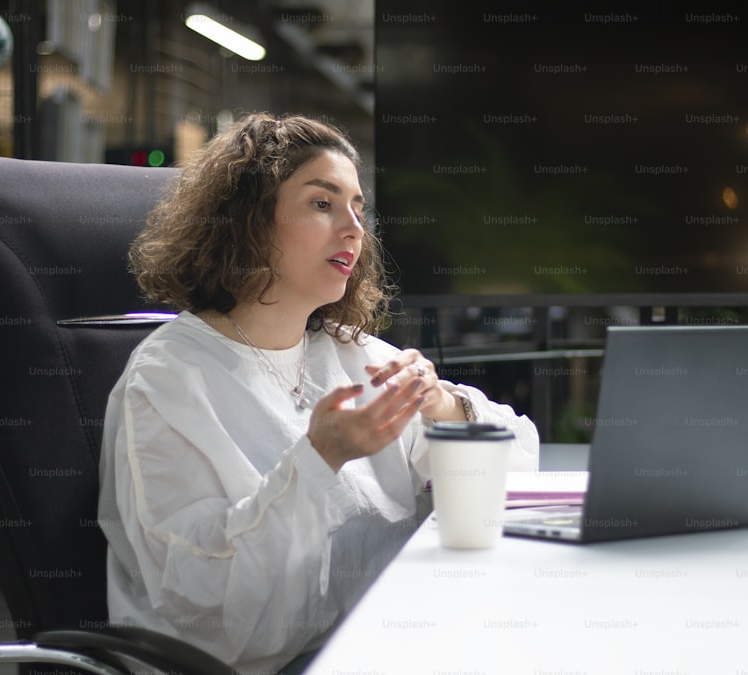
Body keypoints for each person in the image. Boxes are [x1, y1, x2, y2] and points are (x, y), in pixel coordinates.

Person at [97, 112, 539, 674]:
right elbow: (206, 613)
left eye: (358, 207)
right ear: (247, 221)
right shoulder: (167, 378)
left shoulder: (353, 353)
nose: (354, 228)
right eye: (322, 203)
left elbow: (519, 471)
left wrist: (443, 407)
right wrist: (320, 457)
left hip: (392, 643)